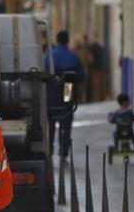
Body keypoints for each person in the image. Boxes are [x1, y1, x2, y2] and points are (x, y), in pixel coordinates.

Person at [44, 30, 84, 158]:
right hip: (68, 89)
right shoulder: (74, 57)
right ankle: (63, 151)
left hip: (51, 91)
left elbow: (43, 74)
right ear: (67, 41)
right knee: (66, 121)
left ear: (57, 40)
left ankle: (49, 149)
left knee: (50, 123)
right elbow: (81, 76)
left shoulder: (49, 56)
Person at [72, 33, 94, 103]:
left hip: (75, 72)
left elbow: (91, 60)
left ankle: (78, 100)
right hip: (84, 71)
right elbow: (91, 61)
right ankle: (82, 100)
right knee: (83, 87)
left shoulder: (73, 51)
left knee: (77, 87)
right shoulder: (85, 50)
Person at [86, 33, 107, 101]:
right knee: (101, 84)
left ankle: (97, 98)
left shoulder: (91, 48)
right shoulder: (100, 47)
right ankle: (102, 97)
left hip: (95, 69)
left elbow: (90, 60)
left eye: (89, 39)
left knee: (96, 85)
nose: (88, 41)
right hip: (101, 67)